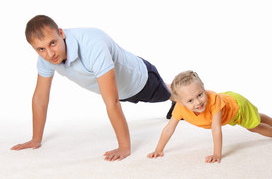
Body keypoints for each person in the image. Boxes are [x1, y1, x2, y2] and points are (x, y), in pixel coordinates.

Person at [11, 15, 175, 161]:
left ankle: (183, 92)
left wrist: (124, 147)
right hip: (120, 90)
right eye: (41, 49)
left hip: (140, 80)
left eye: (52, 43)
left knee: (170, 94)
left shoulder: (92, 45)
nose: (49, 54)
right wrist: (36, 139)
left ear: (61, 33)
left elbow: (111, 101)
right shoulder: (46, 58)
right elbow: (40, 97)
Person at [147, 70, 272, 163]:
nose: (198, 102)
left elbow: (216, 128)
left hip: (237, 108)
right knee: (255, 116)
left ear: (203, 87)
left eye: (200, 95)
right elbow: (169, 129)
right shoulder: (180, 108)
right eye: (190, 101)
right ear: (180, 102)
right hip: (229, 110)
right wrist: (158, 149)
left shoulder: (213, 100)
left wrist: (217, 154)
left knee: (254, 126)